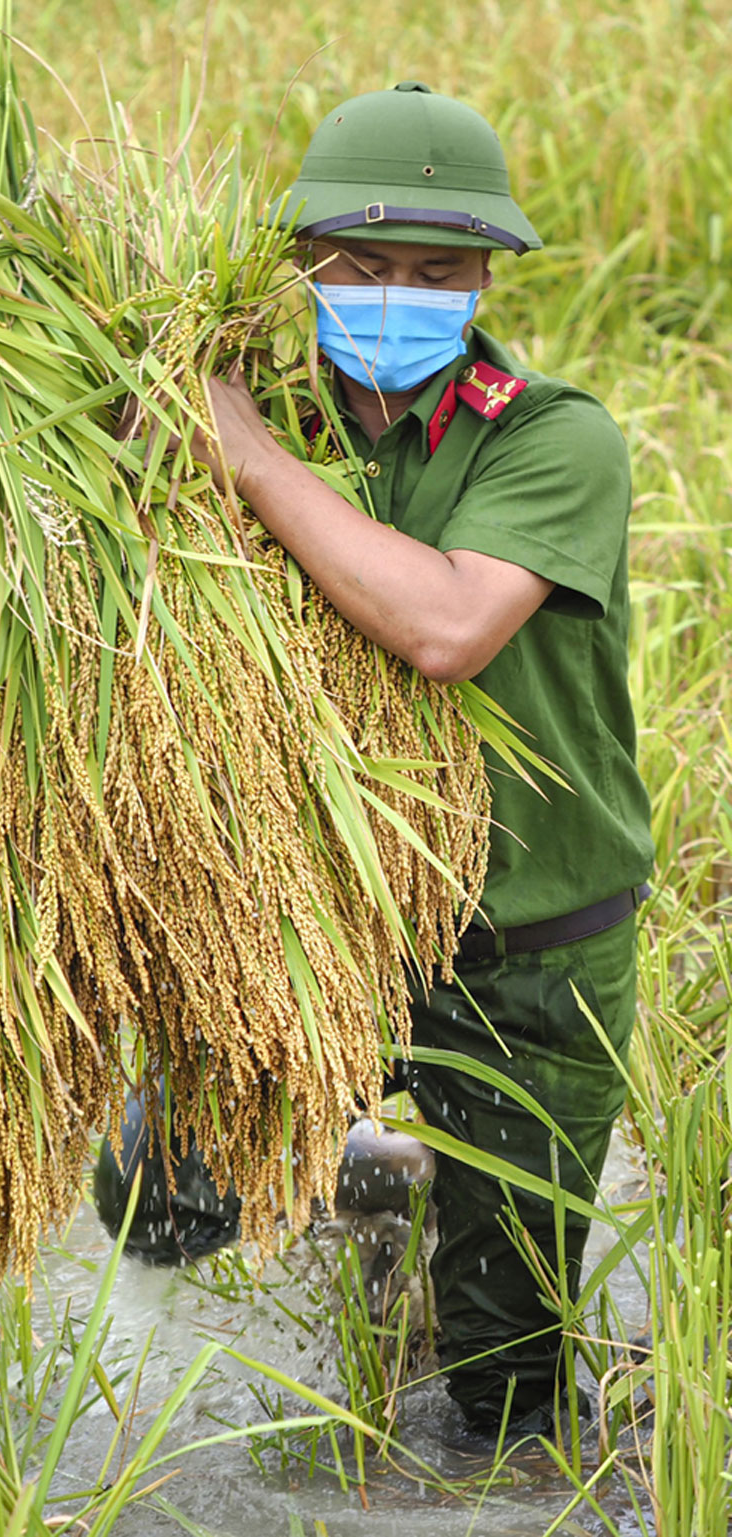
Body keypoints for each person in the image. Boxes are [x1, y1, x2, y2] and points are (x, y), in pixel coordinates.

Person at [95, 81, 654, 1435]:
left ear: (482, 278)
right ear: (302, 266)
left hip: (530, 938)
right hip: (322, 917)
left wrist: (245, 454)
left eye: (435, 269)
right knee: (157, 1207)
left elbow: (449, 625)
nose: (397, 293)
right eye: (362, 263)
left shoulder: (550, 435)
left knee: (505, 1393)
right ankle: (380, 1168)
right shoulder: (258, 405)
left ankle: (443, 1186)